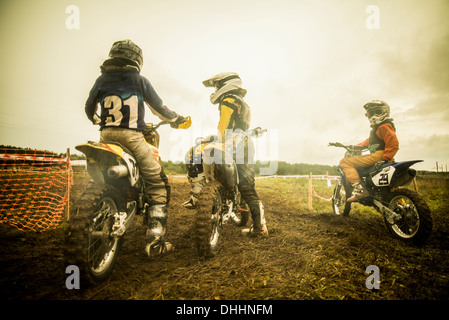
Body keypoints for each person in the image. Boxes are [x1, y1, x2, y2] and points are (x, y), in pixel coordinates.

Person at [84, 39, 186, 258]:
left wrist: (96, 119)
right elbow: (160, 109)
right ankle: (155, 241)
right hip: (131, 137)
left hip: (105, 136)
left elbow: (88, 107)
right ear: (136, 59)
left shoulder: (101, 79)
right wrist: (177, 119)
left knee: (101, 177)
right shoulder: (139, 80)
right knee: (157, 182)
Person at [202, 72, 268, 237]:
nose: (216, 89)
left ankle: (201, 200)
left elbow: (223, 126)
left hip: (232, 143)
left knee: (211, 169)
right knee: (247, 188)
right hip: (245, 144)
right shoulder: (244, 104)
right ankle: (260, 228)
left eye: (218, 85)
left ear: (225, 85)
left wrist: (218, 140)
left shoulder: (228, 100)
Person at [339, 100, 399, 202]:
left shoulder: (384, 126)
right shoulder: (379, 128)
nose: (373, 116)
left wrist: (385, 159)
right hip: (385, 156)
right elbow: (369, 142)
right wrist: (355, 146)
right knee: (391, 189)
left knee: (345, 162)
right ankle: (399, 203)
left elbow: (393, 144)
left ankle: (361, 190)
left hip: (380, 155)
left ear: (384, 112)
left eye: (377, 112)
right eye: (371, 113)